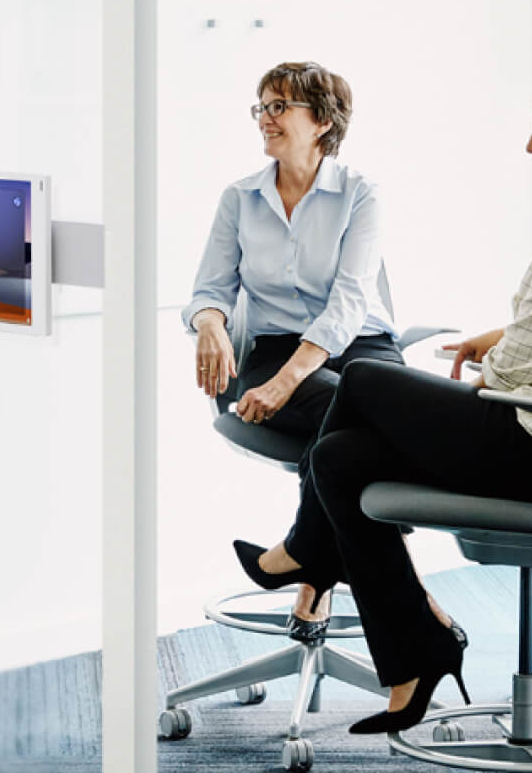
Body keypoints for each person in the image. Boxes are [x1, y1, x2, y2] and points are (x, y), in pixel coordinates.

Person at [235, 32, 532, 734]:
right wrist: (501, 337)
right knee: (337, 459)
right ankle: (417, 652)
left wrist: (492, 355)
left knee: (369, 379)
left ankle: (306, 549)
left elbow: (509, 373)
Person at [182, 61, 403, 641]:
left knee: (349, 409)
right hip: (274, 348)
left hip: (361, 346)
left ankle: (306, 561)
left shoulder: (361, 194)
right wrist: (209, 325)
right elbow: (209, 291)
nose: (266, 118)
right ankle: (411, 597)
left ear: (323, 122)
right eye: (262, 106)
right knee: (361, 424)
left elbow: (349, 303)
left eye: (280, 106)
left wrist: (285, 384)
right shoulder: (240, 198)